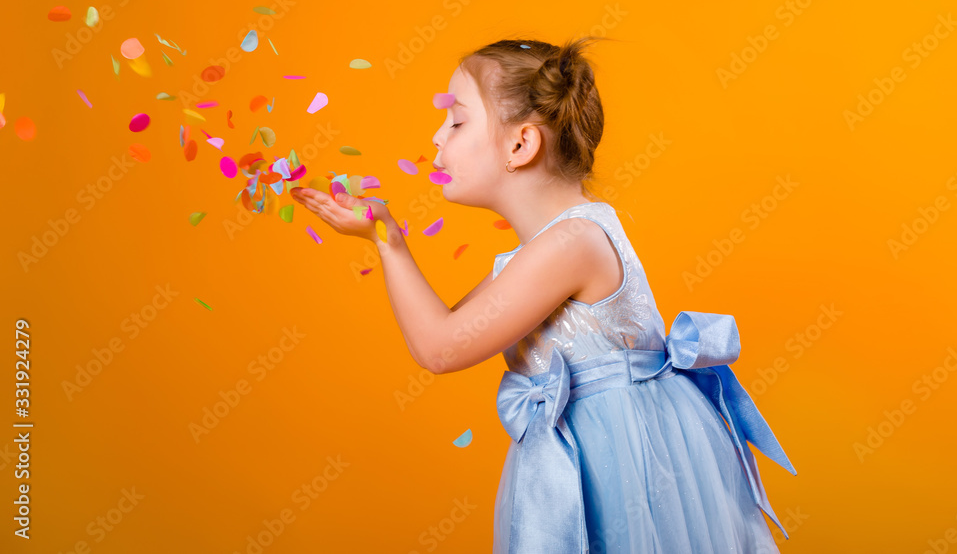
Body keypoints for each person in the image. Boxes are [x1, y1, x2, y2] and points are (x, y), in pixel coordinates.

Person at [290, 36, 797, 553]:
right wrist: (385, 234)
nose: (437, 137)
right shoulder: (549, 247)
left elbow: (440, 350)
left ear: (521, 145)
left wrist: (388, 241)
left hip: (618, 460)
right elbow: (446, 330)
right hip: (600, 452)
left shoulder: (572, 243)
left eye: (457, 121)